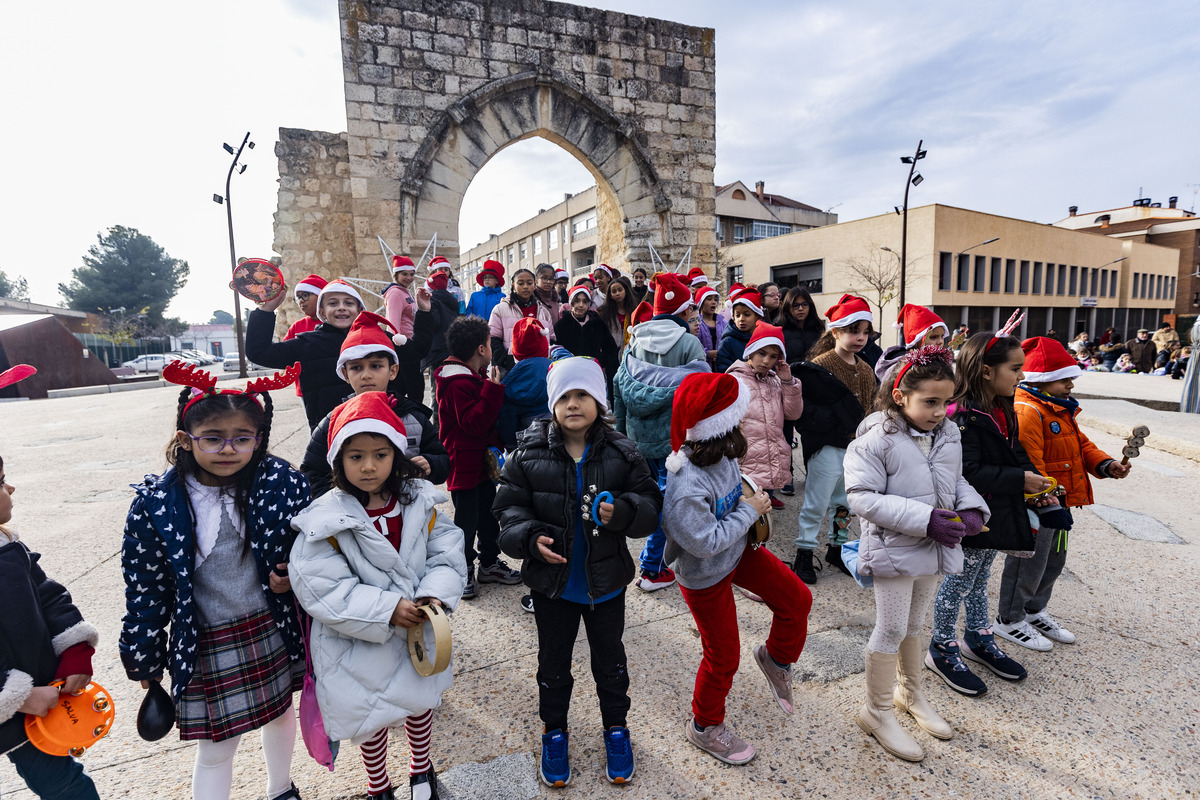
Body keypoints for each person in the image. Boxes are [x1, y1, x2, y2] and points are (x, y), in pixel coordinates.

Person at [120, 363, 310, 800]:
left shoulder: (281, 482)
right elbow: (145, 586)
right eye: (213, 438)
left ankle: (281, 789)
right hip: (204, 639)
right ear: (186, 438)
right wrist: (144, 657)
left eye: (242, 438)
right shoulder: (157, 504)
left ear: (259, 438)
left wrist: (292, 577)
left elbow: (313, 546)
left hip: (270, 627)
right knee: (217, 744)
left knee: (282, 715)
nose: (229, 449)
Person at [494, 358, 662, 787]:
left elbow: (649, 505)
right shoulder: (527, 453)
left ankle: (617, 729)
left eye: (583, 395)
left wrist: (623, 512)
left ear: (599, 402)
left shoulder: (623, 451)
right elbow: (508, 512)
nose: (573, 404)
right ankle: (554, 731)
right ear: (552, 404)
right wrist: (530, 539)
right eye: (564, 397)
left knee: (610, 662)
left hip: (605, 585)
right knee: (553, 665)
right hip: (553, 589)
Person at [289, 392, 466, 800]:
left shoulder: (420, 501)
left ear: (396, 455)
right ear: (338, 460)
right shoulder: (325, 519)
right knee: (372, 717)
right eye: (356, 457)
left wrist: (433, 596)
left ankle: (420, 769)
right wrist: (387, 609)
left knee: (421, 702)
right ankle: (377, 783)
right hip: (361, 639)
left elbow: (446, 549)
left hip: (418, 628)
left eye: (380, 454)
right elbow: (322, 585)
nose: (369, 466)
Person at [844, 347, 988, 762]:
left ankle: (910, 694)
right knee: (890, 629)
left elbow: (956, 480)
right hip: (894, 548)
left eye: (946, 402)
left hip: (934, 547)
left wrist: (972, 510)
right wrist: (927, 519)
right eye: (930, 402)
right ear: (899, 396)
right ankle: (876, 711)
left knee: (914, 624)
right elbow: (862, 498)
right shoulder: (875, 441)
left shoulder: (948, 434)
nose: (941, 411)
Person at [661, 372, 812, 766]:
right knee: (723, 655)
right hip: (705, 574)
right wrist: (749, 511)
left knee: (798, 598)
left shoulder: (723, 452)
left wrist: (749, 497)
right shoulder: (685, 487)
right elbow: (704, 542)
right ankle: (704, 725)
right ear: (720, 426)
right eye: (738, 416)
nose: (744, 421)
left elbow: (735, 492)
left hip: (738, 551)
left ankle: (776, 659)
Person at [925, 323, 1052, 697]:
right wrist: (1019, 480)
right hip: (972, 515)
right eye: (1015, 368)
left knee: (980, 581)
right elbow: (968, 472)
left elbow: (1014, 451)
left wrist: (1034, 478)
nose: (1022, 375)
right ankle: (942, 647)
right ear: (986, 370)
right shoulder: (962, 416)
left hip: (996, 512)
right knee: (958, 581)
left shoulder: (1001, 406)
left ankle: (978, 639)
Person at [996, 338, 1130, 651]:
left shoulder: (1058, 408)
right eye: (1064, 379)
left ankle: (1033, 610)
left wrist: (1106, 464)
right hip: (1041, 505)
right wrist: (1046, 500)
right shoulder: (1028, 411)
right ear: (1043, 379)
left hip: (1060, 503)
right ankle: (1009, 618)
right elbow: (1031, 463)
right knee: (1028, 562)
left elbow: (1082, 445)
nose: (1071, 384)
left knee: (1053, 561)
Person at [1, 417, 103, 799]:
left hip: (33, 703)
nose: (11, 488)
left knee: (65, 785)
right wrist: (18, 695)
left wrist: (75, 647)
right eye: (0, 483)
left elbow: (48, 594)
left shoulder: (8, 545)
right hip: (16, 697)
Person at [613, 273, 708, 593]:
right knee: (670, 504)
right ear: (683, 311)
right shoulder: (689, 343)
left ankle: (654, 562)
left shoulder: (635, 341)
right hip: (675, 441)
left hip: (639, 440)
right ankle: (652, 568)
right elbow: (700, 394)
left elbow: (620, 388)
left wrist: (622, 434)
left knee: (653, 500)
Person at [301, 311, 449, 497]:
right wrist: (338, 503)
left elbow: (443, 461)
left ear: (393, 370)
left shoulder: (414, 418)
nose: (366, 375)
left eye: (376, 366)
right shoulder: (333, 422)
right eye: (356, 367)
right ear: (345, 374)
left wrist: (431, 464)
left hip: (407, 514)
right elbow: (312, 473)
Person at [791, 295, 878, 584]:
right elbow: (806, 409)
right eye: (854, 331)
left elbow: (870, 407)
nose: (861, 338)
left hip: (855, 450)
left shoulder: (866, 369)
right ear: (836, 331)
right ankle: (804, 552)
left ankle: (837, 547)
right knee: (816, 502)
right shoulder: (819, 365)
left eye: (866, 332)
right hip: (827, 447)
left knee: (844, 503)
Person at [435, 316, 522, 599]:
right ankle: (465, 570)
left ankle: (489, 563)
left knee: (488, 514)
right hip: (463, 464)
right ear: (482, 349)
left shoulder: (472, 375)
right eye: (488, 342)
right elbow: (473, 423)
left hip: (480, 464)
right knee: (466, 521)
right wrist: (493, 390)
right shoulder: (457, 382)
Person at [726, 324, 803, 510]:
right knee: (743, 514)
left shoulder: (776, 380)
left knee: (762, 518)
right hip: (745, 462)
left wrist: (788, 382)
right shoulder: (735, 380)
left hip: (770, 460)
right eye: (762, 353)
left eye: (773, 356)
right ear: (751, 351)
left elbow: (793, 414)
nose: (766, 360)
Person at [497, 318, 552, 451]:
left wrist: (511, 448)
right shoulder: (556, 371)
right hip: (559, 442)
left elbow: (507, 423)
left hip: (527, 450)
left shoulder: (509, 383)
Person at [489, 268, 557, 373]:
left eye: (529, 283)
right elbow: (493, 339)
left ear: (534, 285)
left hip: (539, 369)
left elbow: (551, 340)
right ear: (513, 285)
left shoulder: (544, 312)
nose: (525, 287)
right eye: (520, 283)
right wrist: (507, 361)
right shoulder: (500, 309)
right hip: (511, 368)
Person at [384, 256, 429, 404]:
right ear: (396, 275)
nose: (409, 278)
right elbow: (392, 324)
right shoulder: (395, 293)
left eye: (411, 274)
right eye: (404, 274)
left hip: (411, 346)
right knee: (411, 390)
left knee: (414, 390)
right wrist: (400, 345)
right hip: (403, 348)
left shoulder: (406, 292)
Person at [553, 281, 619, 382]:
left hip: (593, 371)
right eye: (577, 301)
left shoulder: (597, 322)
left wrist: (600, 362)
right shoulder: (562, 325)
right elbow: (557, 349)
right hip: (569, 372)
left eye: (585, 301)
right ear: (571, 302)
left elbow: (610, 347)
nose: (581, 305)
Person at [873, 304, 950, 383]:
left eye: (942, 336)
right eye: (933, 337)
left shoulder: (941, 361)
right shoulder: (904, 366)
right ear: (917, 340)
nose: (940, 341)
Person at [714, 287, 764, 373]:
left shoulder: (765, 339)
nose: (741, 319)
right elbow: (723, 369)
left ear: (758, 316)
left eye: (747, 314)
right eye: (737, 315)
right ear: (733, 317)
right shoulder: (727, 342)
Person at [285, 274, 328, 341]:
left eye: (305, 295)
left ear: (320, 297)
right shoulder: (296, 327)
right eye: (298, 297)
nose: (301, 301)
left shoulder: (334, 323)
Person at [694, 285, 726, 371]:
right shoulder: (695, 323)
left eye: (716, 299)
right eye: (709, 299)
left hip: (720, 368)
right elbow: (693, 347)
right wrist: (707, 353)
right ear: (701, 303)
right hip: (702, 368)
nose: (713, 302)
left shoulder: (723, 323)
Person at [599, 276, 638, 349]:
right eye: (614, 291)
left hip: (630, 348)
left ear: (625, 291)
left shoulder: (634, 310)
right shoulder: (603, 312)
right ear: (610, 295)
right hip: (611, 350)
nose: (617, 293)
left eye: (620, 290)